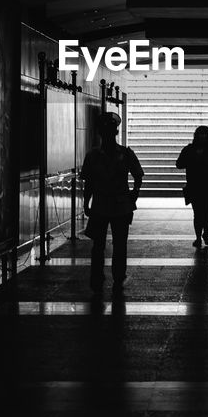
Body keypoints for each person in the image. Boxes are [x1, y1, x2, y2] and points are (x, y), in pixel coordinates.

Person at [81, 111, 142, 295]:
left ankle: (105, 277)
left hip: (108, 205)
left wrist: (86, 203)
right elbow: (138, 175)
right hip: (116, 204)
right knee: (110, 245)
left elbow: (89, 182)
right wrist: (134, 195)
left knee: (108, 245)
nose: (108, 134)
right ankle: (112, 277)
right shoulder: (121, 154)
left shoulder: (95, 155)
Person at [175, 125, 208, 248]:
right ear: (196, 135)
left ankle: (205, 233)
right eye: (200, 133)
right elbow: (178, 164)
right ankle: (198, 237)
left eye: (205, 134)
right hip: (194, 187)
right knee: (198, 213)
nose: (202, 136)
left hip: (207, 187)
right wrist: (190, 159)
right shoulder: (189, 150)